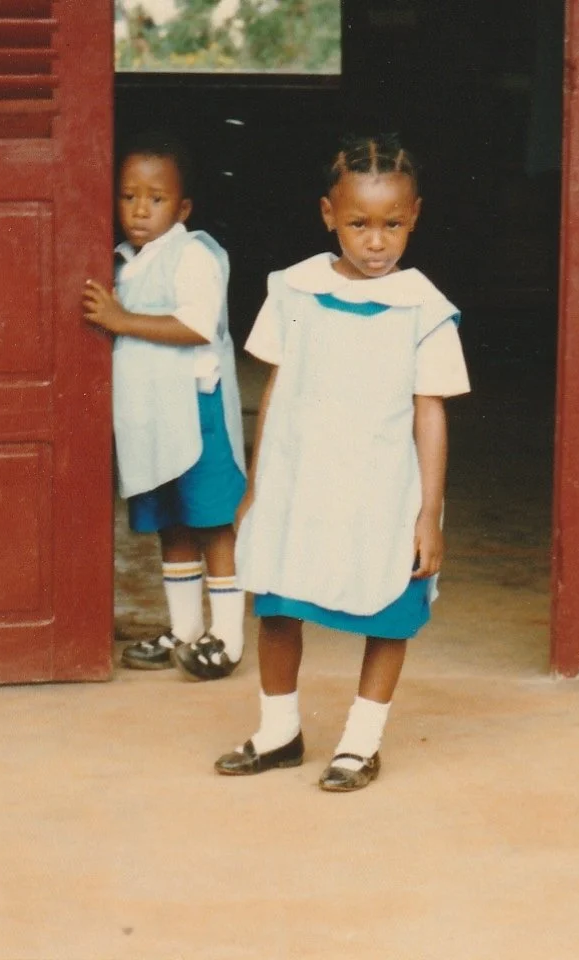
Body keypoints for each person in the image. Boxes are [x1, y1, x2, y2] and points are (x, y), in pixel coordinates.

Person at [217, 134, 470, 791]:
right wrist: (257, 482)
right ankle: (279, 733)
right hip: (301, 483)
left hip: (383, 491)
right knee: (277, 600)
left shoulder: (425, 310)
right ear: (329, 214)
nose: (376, 242)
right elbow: (275, 388)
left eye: (392, 225)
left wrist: (430, 514)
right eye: (359, 224)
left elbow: (431, 412)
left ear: (415, 216)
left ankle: (361, 743)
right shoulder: (293, 291)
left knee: (388, 605)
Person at [82, 131, 247, 681]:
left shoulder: (193, 254)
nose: (140, 209)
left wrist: (121, 321)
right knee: (172, 525)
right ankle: (184, 631)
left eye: (155, 199)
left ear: (183, 208)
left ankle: (227, 637)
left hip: (196, 414)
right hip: (151, 420)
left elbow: (198, 326)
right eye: (129, 196)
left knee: (213, 522)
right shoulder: (123, 261)